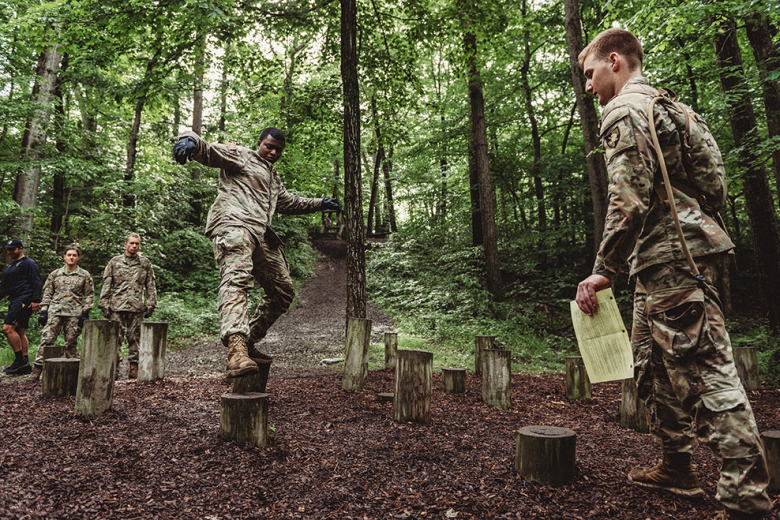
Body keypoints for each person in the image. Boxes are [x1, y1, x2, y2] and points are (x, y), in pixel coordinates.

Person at [575, 29, 771, 520]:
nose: (588, 86)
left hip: (673, 261)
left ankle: (746, 499)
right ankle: (677, 467)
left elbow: (628, 195)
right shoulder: (671, 107)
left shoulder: (623, 110)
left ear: (614, 61)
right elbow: (715, 189)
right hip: (663, 260)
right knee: (651, 363)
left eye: (590, 74)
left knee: (706, 375)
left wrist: (604, 271)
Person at [173, 127, 341, 378]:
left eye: (278, 150)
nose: (273, 152)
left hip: (260, 236)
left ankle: (248, 342)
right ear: (259, 143)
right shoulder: (242, 156)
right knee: (237, 279)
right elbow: (209, 151)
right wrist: (189, 140)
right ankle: (236, 349)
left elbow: (288, 202)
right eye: (269, 146)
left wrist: (320, 204)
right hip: (233, 226)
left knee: (283, 291)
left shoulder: (273, 177)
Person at [30, 246, 94, 382]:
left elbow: (89, 295)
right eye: (69, 255)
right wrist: (43, 310)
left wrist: (85, 312)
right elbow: (47, 293)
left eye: (74, 255)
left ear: (78, 257)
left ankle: (72, 373)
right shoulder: (55, 274)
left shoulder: (84, 275)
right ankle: (37, 370)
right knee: (47, 340)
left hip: (74, 313)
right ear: (64, 257)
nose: (71, 257)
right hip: (55, 311)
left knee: (71, 343)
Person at [98, 233, 157, 380]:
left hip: (136, 308)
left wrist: (151, 304)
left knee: (135, 339)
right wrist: (103, 303)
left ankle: (133, 371)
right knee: (114, 340)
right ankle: (114, 370)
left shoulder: (145, 263)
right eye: (131, 243)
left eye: (137, 243)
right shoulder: (114, 262)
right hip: (117, 307)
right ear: (125, 244)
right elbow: (107, 284)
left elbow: (150, 285)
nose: (134, 246)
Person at [0, 239, 42, 376]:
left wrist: (36, 300)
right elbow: (4, 287)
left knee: (7, 328)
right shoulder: (10, 267)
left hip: (24, 300)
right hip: (14, 300)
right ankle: (25, 363)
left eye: (13, 249)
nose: (10, 251)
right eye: (9, 249)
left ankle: (19, 361)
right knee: (20, 331)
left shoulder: (28, 263)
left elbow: (36, 281)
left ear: (21, 248)